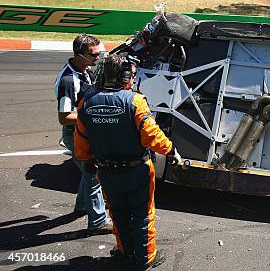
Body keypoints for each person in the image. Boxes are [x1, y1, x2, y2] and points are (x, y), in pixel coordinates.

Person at [74, 53, 182, 270]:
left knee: (118, 214)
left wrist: (87, 161)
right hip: (137, 172)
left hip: (106, 173)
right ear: (124, 76)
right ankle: (146, 259)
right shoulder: (134, 101)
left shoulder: (86, 103)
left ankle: (125, 252)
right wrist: (171, 150)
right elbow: (152, 136)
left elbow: (81, 142)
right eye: (132, 75)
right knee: (143, 216)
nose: (133, 79)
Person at [54, 34, 111, 233]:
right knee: (93, 173)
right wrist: (92, 117)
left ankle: (82, 206)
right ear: (80, 55)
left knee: (88, 171)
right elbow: (64, 116)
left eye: (99, 53)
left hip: (83, 132)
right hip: (74, 134)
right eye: (93, 54)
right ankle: (97, 222)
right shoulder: (69, 81)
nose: (98, 57)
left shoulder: (84, 70)